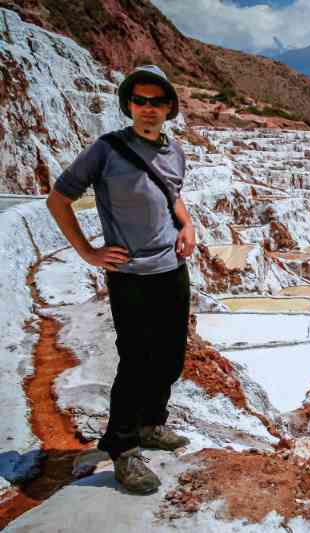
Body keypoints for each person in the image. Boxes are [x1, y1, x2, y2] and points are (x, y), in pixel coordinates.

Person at [46, 65, 196, 495]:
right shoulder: (107, 150)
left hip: (171, 268)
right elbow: (58, 199)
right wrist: (86, 251)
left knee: (170, 357)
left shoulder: (173, 150)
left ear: (169, 107)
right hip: (130, 275)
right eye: (139, 101)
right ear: (128, 104)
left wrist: (187, 227)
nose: (148, 109)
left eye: (157, 102)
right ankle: (123, 449)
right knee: (136, 361)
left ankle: (152, 423)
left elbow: (174, 193)